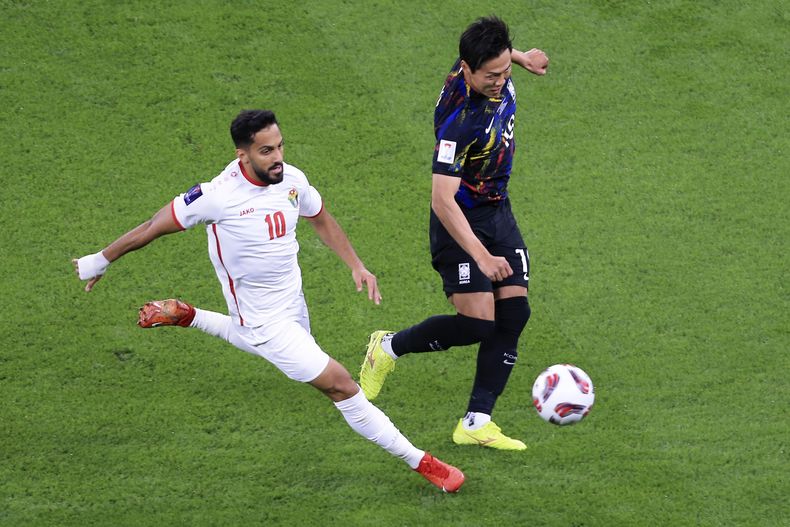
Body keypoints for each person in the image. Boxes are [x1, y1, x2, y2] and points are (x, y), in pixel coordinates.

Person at [73, 109, 464, 492]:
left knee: (272, 346)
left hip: (293, 301)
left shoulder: (291, 178)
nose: (277, 158)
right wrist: (99, 260)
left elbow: (320, 216)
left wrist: (356, 265)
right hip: (262, 320)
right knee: (341, 385)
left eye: (279, 147)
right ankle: (423, 462)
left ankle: (189, 316)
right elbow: (151, 227)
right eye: (266, 151)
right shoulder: (216, 197)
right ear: (242, 155)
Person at [360, 16, 549, 450]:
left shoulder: (488, 64)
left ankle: (476, 422)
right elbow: (442, 200)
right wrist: (482, 257)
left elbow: (498, 57)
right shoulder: (459, 122)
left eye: (505, 72)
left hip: (497, 209)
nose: (501, 81)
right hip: (459, 221)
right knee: (479, 324)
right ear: (466, 70)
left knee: (515, 313)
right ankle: (387, 347)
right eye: (492, 75)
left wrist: (523, 58)